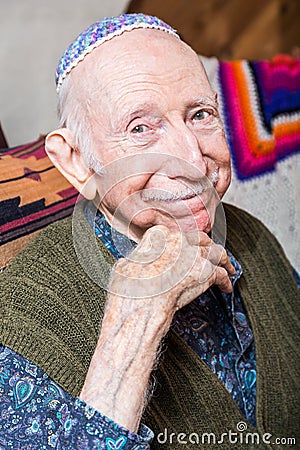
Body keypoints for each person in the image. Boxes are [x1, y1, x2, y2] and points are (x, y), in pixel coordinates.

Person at [1, 13, 299, 449]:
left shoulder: (252, 235)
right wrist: (136, 321)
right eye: (140, 128)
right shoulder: (18, 318)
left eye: (200, 115)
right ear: (77, 163)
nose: (195, 163)